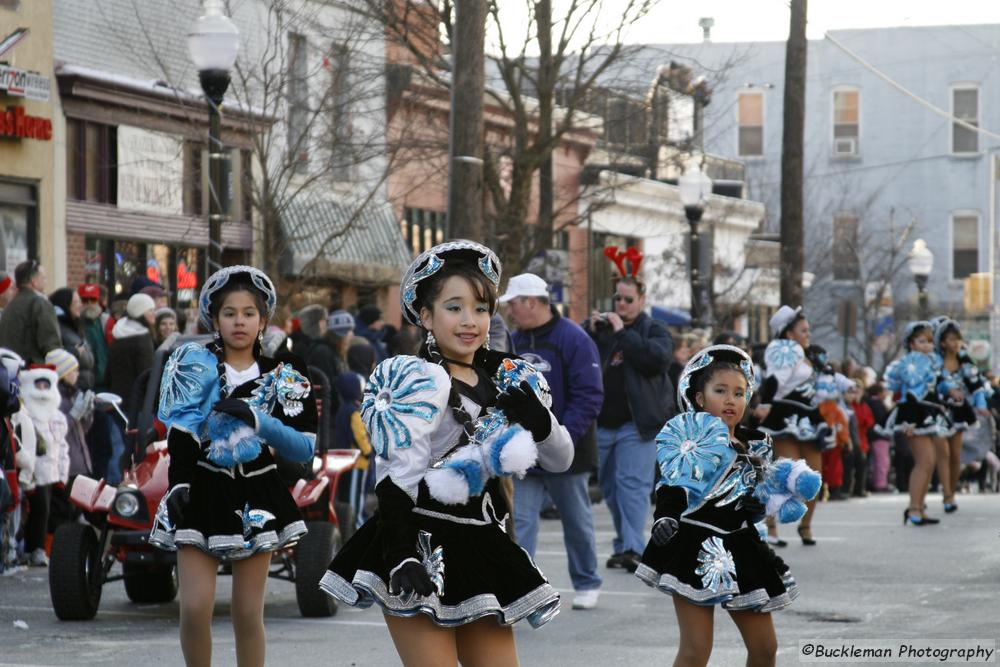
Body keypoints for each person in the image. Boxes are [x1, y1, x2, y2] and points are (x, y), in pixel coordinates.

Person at [321, 241, 573, 666]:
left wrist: (540, 419)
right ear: (425, 315)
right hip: (421, 546)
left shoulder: (508, 375)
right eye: (454, 308)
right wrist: (401, 554)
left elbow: (560, 460)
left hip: (484, 543)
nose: (470, 321)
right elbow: (396, 478)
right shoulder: (417, 380)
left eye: (480, 308)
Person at [149, 265, 316, 666]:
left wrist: (258, 419)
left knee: (246, 613)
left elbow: (304, 448)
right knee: (193, 609)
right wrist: (178, 485)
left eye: (248, 313)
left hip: (257, 492)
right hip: (200, 490)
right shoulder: (193, 364)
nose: (239, 321)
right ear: (214, 318)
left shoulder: (286, 373)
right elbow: (182, 435)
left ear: (263, 319)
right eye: (229, 313)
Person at [636, 344, 794, 667]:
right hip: (694, 544)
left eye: (739, 392)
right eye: (720, 390)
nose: (730, 399)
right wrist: (665, 517)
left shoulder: (756, 445)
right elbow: (673, 485)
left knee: (765, 649)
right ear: (699, 398)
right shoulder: (688, 438)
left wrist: (757, 506)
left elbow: (758, 499)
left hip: (743, 546)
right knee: (696, 651)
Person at [502, 272, 605, 610]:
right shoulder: (513, 340)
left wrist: (559, 439)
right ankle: (522, 587)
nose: (510, 311)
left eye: (514, 304)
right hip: (524, 451)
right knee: (522, 521)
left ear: (532, 302)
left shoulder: (573, 338)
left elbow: (589, 396)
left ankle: (587, 581)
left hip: (568, 450)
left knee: (576, 519)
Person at [584, 276, 675, 572]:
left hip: (638, 425)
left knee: (632, 487)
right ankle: (625, 542)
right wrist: (590, 330)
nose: (621, 304)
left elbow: (657, 360)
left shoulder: (654, 330)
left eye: (628, 299)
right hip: (602, 424)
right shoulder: (603, 331)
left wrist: (623, 332)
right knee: (610, 489)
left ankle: (633, 549)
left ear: (642, 300)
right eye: (617, 299)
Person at [757, 306, 830, 546]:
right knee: (784, 472)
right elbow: (775, 379)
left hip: (808, 417)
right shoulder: (784, 350)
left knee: (814, 475)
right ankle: (770, 527)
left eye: (809, 330)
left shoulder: (811, 354)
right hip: (783, 416)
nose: (808, 334)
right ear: (788, 333)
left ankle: (806, 525)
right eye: (803, 330)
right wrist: (766, 403)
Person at [883, 321, 947, 526]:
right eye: (922, 341)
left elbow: (937, 385)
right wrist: (909, 420)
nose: (927, 345)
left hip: (927, 411)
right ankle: (914, 508)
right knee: (925, 461)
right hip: (913, 411)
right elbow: (910, 391)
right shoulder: (912, 361)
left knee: (929, 462)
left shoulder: (932, 360)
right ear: (911, 344)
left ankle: (920, 506)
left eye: (929, 341)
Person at [933, 318, 992, 513]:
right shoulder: (935, 361)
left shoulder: (965, 360)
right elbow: (933, 382)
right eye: (951, 340)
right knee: (943, 453)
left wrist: (981, 405)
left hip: (959, 411)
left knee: (955, 455)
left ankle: (952, 490)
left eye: (957, 340)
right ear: (942, 342)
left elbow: (975, 384)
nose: (955, 343)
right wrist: (947, 389)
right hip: (939, 410)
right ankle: (947, 494)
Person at [19, 365, 69, 567]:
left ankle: (40, 548)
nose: (41, 389)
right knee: (33, 513)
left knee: (47, 512)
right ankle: (30, 548)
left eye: (44, 384)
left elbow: (63, 448)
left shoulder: (57, 416)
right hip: (30, 473)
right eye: (37, 384)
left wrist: (62, 475)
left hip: (51, 475)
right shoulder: (25, 413)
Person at [45, 348, 94, 529]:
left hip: (79, 464)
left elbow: (82, 431)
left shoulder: (72, 393)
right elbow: (56, 431)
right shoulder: (53, 397)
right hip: (65, 467)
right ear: (63, 372)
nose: (77, 373)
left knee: (78, 518)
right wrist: (74, 415)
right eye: (74, 370)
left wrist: (87, 414)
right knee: (63, 518)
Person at [0, 260, 61, 364]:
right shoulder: (40, 304)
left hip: (11, 372)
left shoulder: (8, 307)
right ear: (34, 281)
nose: (46, 282)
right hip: (37, 373)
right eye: (43, 278)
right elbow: (51, 346)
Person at [333, 372, 373, 529]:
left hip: (345, 460)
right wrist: (368, 451)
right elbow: (359, 435)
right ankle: (356, 525)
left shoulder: (343, 408)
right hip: (357, 462)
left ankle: (351, 523)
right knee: (356, 496)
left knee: (348, 494)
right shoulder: (354, 411)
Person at [106, 293, 156, 417]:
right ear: (141, 313)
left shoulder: (118, 334)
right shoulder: (143, 339)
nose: (154, 313)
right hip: (138, 406)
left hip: (118, 401)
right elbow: (147, 376)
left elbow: (108, 373)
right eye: (150, 310)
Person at [49, 287, 96, 390]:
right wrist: (74, 352)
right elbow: (54, 357)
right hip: (71, 390)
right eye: (75, 302)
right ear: (65, 305)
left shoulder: (75, 328)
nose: (80, 305)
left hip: (83, 388)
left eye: (79, 301)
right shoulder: (58, 330)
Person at [77, 284, 109, 389]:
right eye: (85, 300)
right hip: (86, 383)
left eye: (93, 300)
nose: (89, 304)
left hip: (105, 382)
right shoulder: (76, 324)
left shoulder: (105, 322)